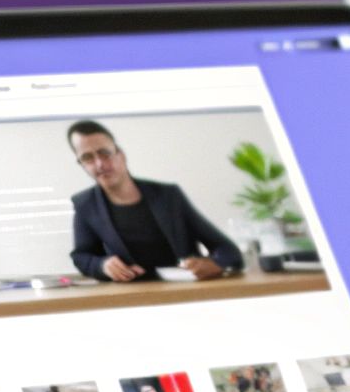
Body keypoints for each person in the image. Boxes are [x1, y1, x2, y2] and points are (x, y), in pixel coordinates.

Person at [66, 120, 244, 283]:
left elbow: (228, 250)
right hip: (130, 296)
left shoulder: (169, 196)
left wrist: (215, 264)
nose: (99, 164)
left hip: (185, 290)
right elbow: (81, 257)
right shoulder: (85, 204)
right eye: (87, 158)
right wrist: (102, 265)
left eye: (104, 153)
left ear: (121, 155)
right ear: (81, 164)